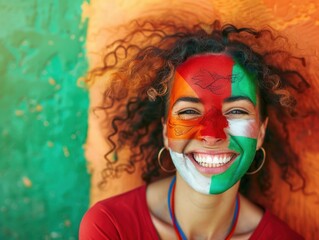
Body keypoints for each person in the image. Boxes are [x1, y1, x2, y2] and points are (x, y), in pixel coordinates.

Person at [79, 19, 308, 239]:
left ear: (260, 134)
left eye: (237, 111)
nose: (211, 135)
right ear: (166, 133)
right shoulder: (111, 226)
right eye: (189, 111)